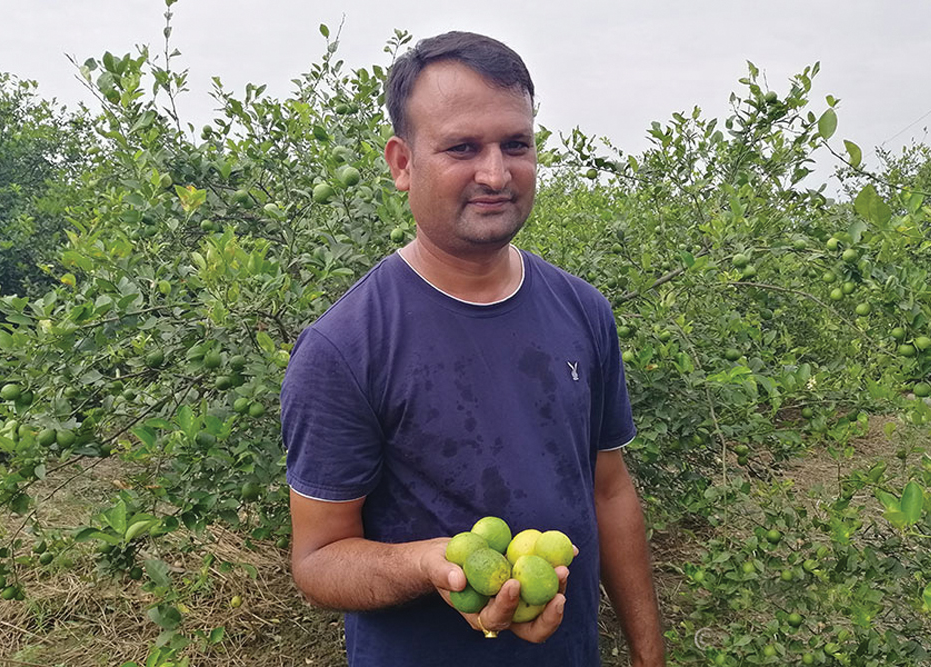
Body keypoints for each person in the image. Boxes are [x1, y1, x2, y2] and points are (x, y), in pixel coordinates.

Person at [280, 31, 665, 667]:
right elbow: (319, 559)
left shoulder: (583, 310)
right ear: (402, 164)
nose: (496, 172)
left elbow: (609, 491)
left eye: (515, 144)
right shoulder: (344, 347)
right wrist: (431, 563)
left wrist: (650, 657)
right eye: (462, 148)